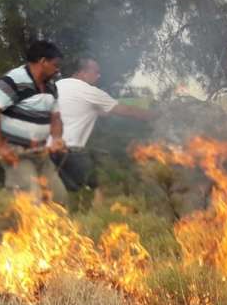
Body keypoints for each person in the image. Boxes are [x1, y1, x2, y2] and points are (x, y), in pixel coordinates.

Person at [53, 57, 158, 203]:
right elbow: (126, 110)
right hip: (70, 151)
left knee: (56, 192)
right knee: (105, 182)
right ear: (83, 72)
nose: (99, 75)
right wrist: (156, 115)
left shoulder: (57, 86)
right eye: (96, 72)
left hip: (48, 150)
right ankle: (99, 218)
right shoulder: (89, 91)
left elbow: (98, 111)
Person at [0, 40, 67, 203]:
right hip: (16, 153)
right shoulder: (14, 80)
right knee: (31, 200)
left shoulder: (51, 87)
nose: (58, 70)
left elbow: (56, 118)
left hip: (41, 153)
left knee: (59, 198)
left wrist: (57, 138)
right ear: (43, 61)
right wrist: (0, 146)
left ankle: (57, 228)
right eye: (55, 65)